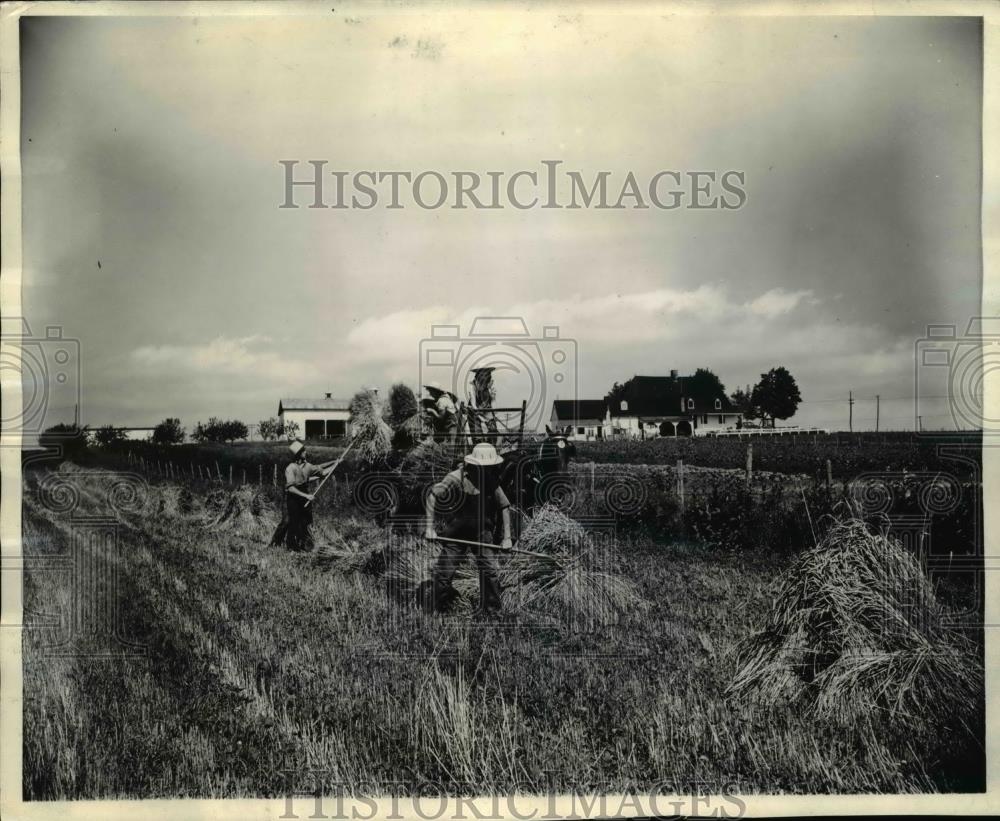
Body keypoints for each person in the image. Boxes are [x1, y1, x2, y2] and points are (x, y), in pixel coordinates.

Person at [422, 442, 513, 616]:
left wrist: (507, 537)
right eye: (483, 467)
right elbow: (432, 496)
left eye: (489, 467)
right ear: (472, 464)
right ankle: (437, 610)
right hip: (456, 533)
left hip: (481, 532)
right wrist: (429, 528)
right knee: (444, 573)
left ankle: (492, 612)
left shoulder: (491, 481)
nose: (486, 471)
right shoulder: (454, 478)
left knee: (490, 572)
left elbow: (504, 507)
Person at [271, 440, 338, 551]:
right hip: (291, 496)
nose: (305, 452)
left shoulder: (308, 466)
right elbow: (290, 488)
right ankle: (276, 544)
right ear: (298, 454)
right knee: (288, 521)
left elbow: (320, 469)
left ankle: (305, 545)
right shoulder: (290, 468)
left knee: (306, 521)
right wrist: (306, 496)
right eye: (303, 451)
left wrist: (335, 463)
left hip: (303, 495)